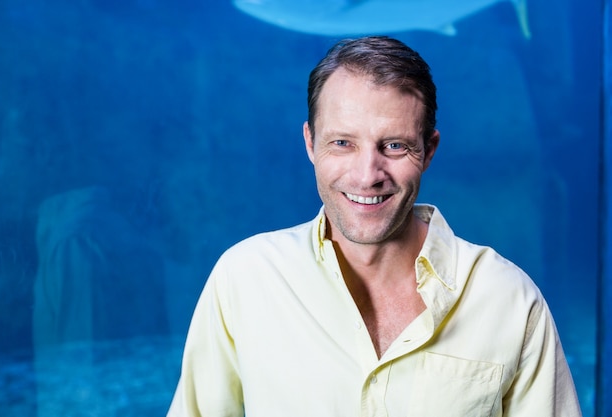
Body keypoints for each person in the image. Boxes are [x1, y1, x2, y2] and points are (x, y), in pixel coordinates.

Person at [167, 36, 581, 416]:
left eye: (395, 145)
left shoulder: (509, 300)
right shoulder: (245, 278)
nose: (368, 175)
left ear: (430, 149)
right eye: (342, 143)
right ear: (310, 143)